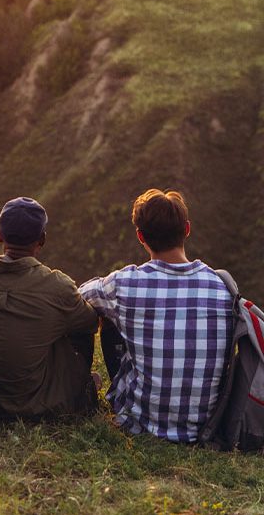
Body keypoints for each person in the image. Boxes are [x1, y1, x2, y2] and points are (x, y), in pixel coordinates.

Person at [79, 189, 235, 442]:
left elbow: (78, 295)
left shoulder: (125, 284)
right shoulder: (222, 287)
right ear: (187, 230)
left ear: (141, 236)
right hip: (207, 425)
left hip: (141, 424)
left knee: (110, 316)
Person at [0, 197, 98, 425]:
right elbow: (90, 322)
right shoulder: (57, 287)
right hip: (35, 406)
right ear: (42, 239)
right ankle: (80, 389)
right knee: (75, 329)